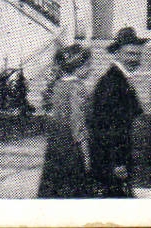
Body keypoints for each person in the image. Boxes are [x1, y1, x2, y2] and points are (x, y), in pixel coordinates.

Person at [88, 27, 147, 197]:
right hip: (111, 161)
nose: (135, 59)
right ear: (117, 54)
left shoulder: (120, 79)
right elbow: (108, 126)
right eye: (130, 54)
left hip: (117, 157)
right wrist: (118, 161)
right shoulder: (112, 83)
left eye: (137, 54)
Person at [37, 44, 97, 198]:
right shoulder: (77, 87)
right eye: (88, 65)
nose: (91, 69)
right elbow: (77, 121)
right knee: (74, 189)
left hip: (56, 142)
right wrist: (86, 153)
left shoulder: (58, 84)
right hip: (71, 144)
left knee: (54, 187)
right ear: (79, 67)